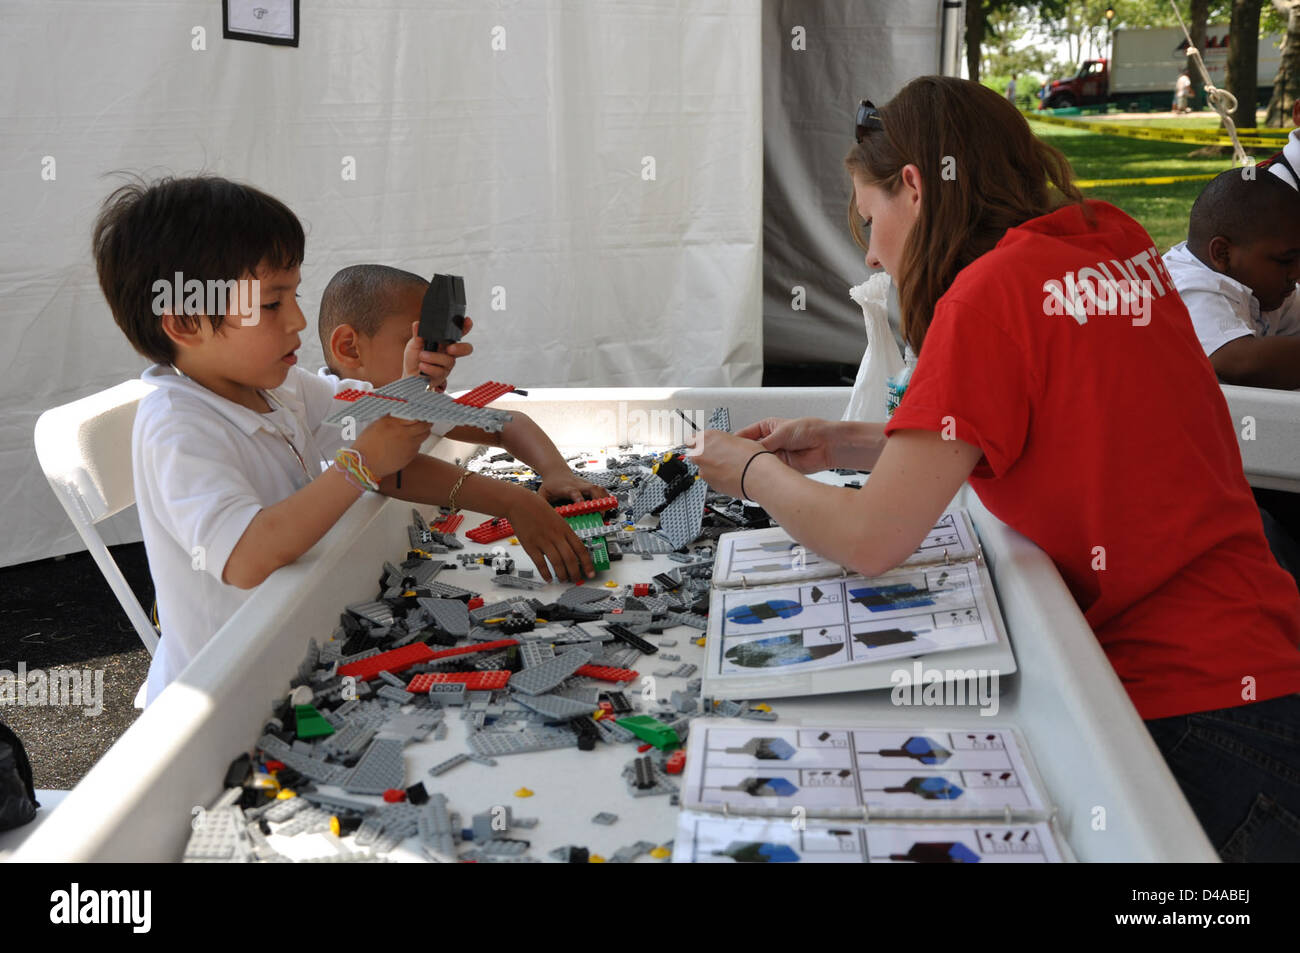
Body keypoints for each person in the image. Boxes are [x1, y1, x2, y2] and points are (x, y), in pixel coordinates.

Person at [690, 76, 1300, 862]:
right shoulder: (1105, 237)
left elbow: (874, 537)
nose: (872, 253)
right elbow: (1059, 424)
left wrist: (749, 474)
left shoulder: (987, 296)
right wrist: (844, 442)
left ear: (915, 186)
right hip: (1262, 657)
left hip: (1194, 712)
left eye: (869, 219)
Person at [93, 176, 594, 705]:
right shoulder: (175, 425)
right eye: (271, 305)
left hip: (291, 655)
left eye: (295, 295)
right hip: (217, 703)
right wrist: (361, 462)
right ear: (186, 323)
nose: (298, 321)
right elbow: (245, 556)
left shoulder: (281, 387)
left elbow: (388, 418)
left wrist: (415, 382)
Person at [317, 264, 603, 503]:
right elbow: (387, 470)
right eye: (417, 343)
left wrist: (557, 472)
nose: (434, 357)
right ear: (350, 348)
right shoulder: (325, 408)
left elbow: (508, 424)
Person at [1162, 170, 1300, 584]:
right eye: (1285, 261)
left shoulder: (1266, 282)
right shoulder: (1188, 284)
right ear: (1221, 253)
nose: (1295, 275)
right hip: (1187, 476)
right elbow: (1236, 360)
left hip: (1248, 454)